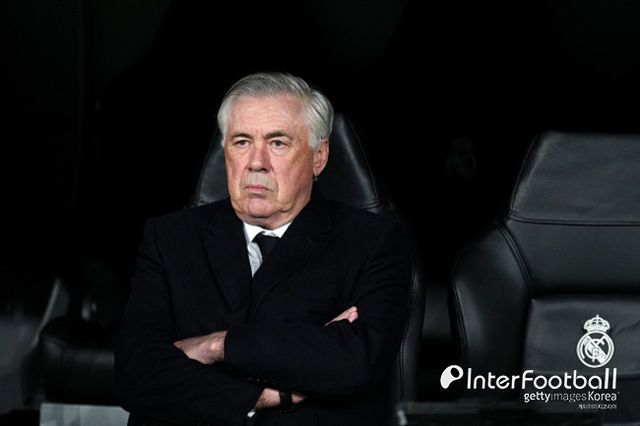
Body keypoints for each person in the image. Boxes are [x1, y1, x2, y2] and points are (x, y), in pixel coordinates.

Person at [115, 72, 411, 426]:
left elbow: (356, 362)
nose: (256, 162)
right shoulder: (170, 238)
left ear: (319, 157)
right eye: (241, 142)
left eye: (278, 143)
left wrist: (217, 346)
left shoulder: (372, 241)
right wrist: (270, 392)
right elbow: (135, 373)